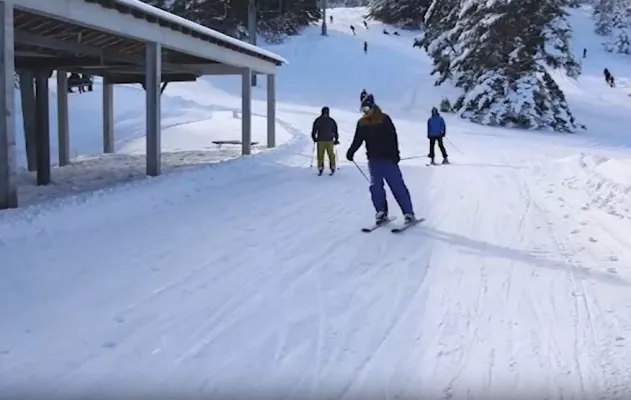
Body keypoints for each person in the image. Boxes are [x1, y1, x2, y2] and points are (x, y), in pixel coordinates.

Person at [346, 94, 416, 224]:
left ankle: (408, 213)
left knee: (397, 186)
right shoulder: (362, 123)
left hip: (388, 159)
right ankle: (381, 212)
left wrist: (396, 154)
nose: (365, 112)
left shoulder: (384, 119)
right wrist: (351, 151)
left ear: (373, 107)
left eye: (367, 109)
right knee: (376, 187)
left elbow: (393, 137)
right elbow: (358, 139)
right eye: (363, 110)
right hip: (374, 160)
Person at [311, 106, 339, 175]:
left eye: (326, 113)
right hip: (321, 140)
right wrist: (314, 138)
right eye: (324, 112)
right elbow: (314, 130)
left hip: (329, 140)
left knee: (331, 155)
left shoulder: (330, 121)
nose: (325, 114)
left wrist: (336, 139)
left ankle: (332, 167)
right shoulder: (319, 120)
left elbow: (335, 131)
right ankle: (320, 167)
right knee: (320, 155)